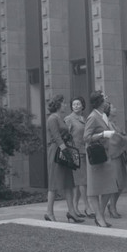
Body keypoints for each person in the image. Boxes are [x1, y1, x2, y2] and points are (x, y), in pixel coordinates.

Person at [45, 94, 84, 224]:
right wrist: (66, 151)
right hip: (57, 152)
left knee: (69, 182)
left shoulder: (60, 118)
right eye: (63, 103)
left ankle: (72, 212)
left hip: (63, 151)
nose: (65, 105)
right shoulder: (52, 118)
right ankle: (49, 212)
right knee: (54, 183)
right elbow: (56, 137)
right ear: (58, 104)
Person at [83, 90, 119, 228]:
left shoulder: (102, 115)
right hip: (96, 157)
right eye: (104, 99)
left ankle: (100, 215)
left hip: (105, 155)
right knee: (94, 189)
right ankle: (99, 217)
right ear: (99, 102)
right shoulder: (93, 117)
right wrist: (102, 134)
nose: (106, 101)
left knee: (109, 188)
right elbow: (86, 138)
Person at [64, 96, 93, 218]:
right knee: (82, 181)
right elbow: (65, 136)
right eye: (74, 104)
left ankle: (75, 208)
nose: (76, 106)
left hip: (84, 151)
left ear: (82, 105)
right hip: (75, 153)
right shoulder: (69, 119)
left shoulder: (84, 118)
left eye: (78, 104)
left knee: (79, 183)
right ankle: (87, 206)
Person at [105, 102, 127, 218]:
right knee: (116, 183)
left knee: (121, 183)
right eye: (113, 107)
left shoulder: (114, 124)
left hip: (119, 155)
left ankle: (112, 205)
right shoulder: (107, 124)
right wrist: (121, 137)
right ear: (108, 110)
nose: (115, 108)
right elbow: (116, 139)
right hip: (113, 156)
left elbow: (122, 136)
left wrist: (121, 137)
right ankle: (112, 206)